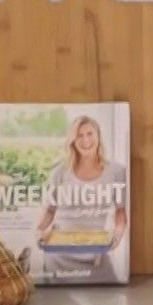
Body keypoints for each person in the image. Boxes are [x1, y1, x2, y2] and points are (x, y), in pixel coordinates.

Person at [35, 114, 128, 283]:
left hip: (96, 253)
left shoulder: (117, 171)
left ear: (98, 136)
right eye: (79, 135)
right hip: (58, 255)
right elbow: (49, 210)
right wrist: (38, 231)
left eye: (90, 134)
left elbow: (121, 211)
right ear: (73, 140)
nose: (85, 140)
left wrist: (117, 236)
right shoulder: (59, 172)